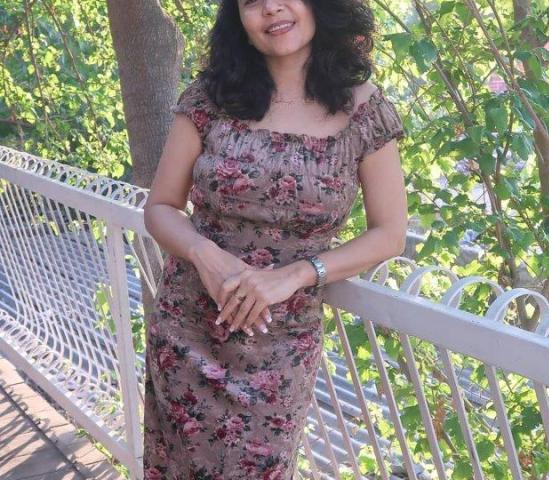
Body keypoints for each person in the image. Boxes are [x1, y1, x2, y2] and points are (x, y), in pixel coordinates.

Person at [142, 0, 407, 478]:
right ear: (238, 18)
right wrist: (205, 254)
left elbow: (390, 234)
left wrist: (296, 275)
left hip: (279, 348)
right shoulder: (208, 99)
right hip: (187, 331)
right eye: (251, 1)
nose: (270, 8)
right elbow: (160, 207)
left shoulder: (363, 110)